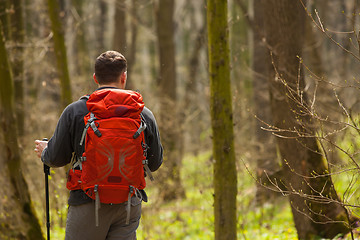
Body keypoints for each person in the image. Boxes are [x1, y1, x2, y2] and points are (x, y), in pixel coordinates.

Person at [34, 50, 163, 240]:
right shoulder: (143, 114)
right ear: (124, 77)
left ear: (95, 78)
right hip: (127, 204)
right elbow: (155, 163)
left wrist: (45, 152)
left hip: (87, 201)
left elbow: (56, 158)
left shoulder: (76, 111)